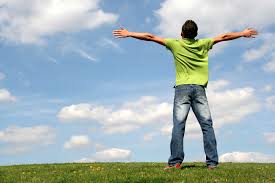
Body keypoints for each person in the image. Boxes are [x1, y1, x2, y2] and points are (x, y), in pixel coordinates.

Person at [112, 20, 258, 170]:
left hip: (182, 89)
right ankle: (212, 163)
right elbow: (224, 36)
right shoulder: (204, 43)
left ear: (181, 34)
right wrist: (243, 33)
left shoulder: (175, 44)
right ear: (196, 34)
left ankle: (175, 162)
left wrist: (129, 33)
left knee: (179, 125)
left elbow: (150, 37)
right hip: (199, 89)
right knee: (207, 125)